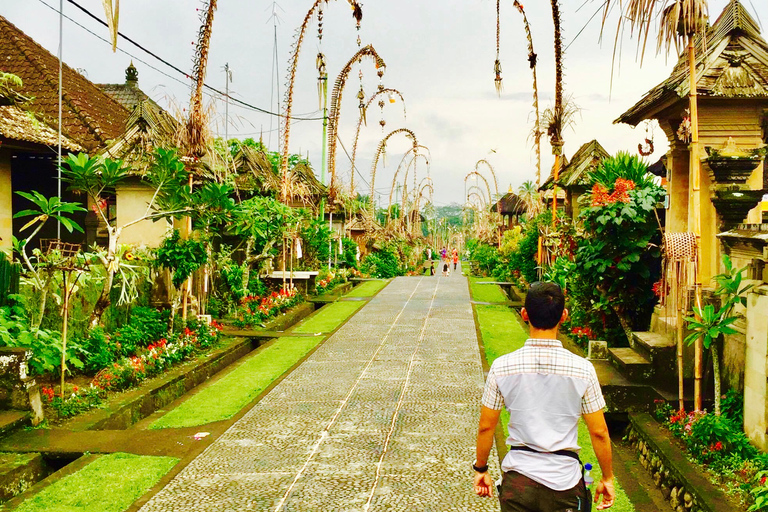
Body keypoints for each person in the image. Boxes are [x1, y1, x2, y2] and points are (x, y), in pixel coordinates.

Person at [473, 281, 615, 511]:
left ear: (525, 314)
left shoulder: (502, 367)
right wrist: (607, 477)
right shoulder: (583, 369)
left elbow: (486, 427)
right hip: (565, 483)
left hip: (518, 481)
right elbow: (599, 432)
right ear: (564, 315)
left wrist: (481, 469)